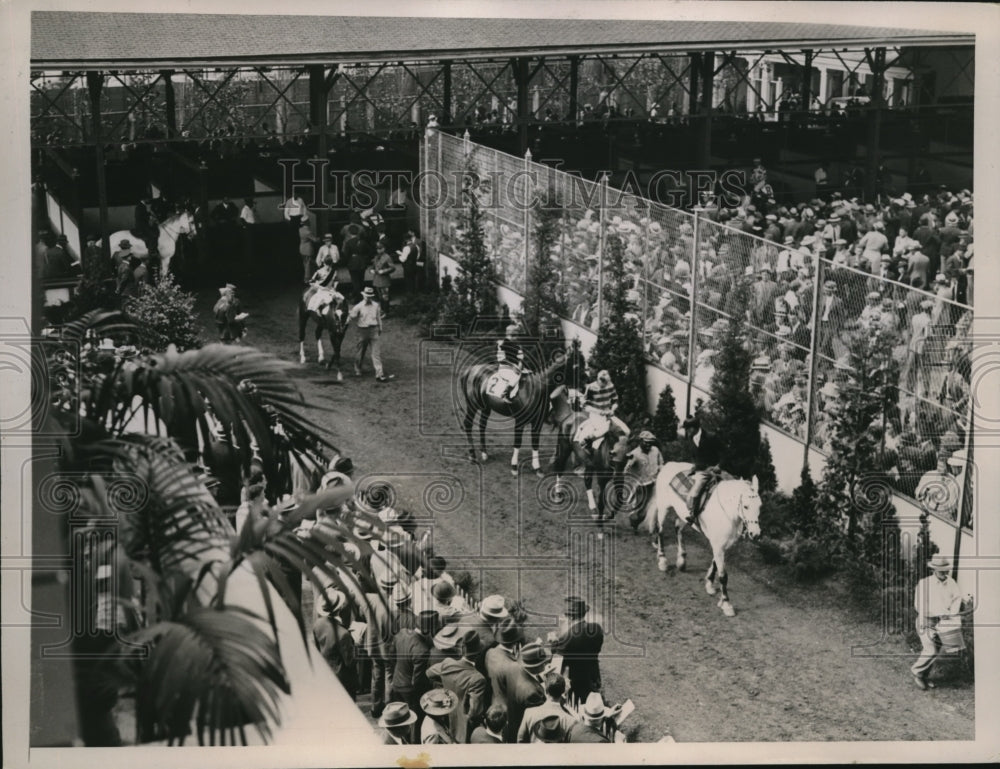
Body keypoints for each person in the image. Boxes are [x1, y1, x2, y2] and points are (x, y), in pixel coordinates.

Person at [911, 555, 966, 690]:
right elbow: (919, 605)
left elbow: (956, 599)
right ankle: (917, 673)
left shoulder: (951, 583)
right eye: (941, 571)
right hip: (927, 621)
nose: (944, 573)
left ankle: (925, 676)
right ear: (934, 570)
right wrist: (936, 613)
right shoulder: (924, 584)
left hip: (944, 623)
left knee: (937, 651)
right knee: (931, 649)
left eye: (946, 570)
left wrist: (952, 615)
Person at [426, 630, 489, 743]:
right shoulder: (478, 679)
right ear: (478, 653)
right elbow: (474, 712)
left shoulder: (447, 663)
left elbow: (429, 673)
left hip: (446, 715)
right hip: (463, 727)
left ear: (462, 649)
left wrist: (444, 685)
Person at [547, 596, 604, 704]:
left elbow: (557, 657)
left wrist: (554, 642)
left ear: (570, 618)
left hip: (575, 682)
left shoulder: (569, 637)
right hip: (592, 675)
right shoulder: (596, 629)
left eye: (565, 615)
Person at [389, 609, 440, 714]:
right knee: (414, 722)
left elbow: (391, 656)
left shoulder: (401, 633)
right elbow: (417, 681)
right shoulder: (422, 650)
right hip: (410, 692)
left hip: (397, 683)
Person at [313, 587, 359, 699]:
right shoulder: (343, 634)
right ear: (341, 606)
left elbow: (317, 648)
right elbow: (351, 662)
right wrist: (357, 643)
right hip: (343, 680)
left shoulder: (318, 624)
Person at [573, 370, 629, 457]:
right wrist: (599, 411)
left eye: (606, 383)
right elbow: (585, 406)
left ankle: (619, 452)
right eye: (602, 382)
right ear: (598, 379)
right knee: (605, 429)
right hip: (596, 415)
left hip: (609, 413)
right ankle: (586, 441)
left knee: (626, 431)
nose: (604, 385)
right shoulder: (591, 387)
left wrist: (612, 409)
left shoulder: (611, 386)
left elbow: (615, 401)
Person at [681, 415, 724, 525]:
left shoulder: (711, 437)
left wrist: (720, 465)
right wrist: (695, 466)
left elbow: (724, 453)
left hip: (715, 469)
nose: (686, 431)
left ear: (693, 428)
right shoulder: (691, 438)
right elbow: (695, 456)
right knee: (695, 490)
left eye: (687, 429)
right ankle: (693, 514)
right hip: (703, 471)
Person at [347, 287, 394, 382]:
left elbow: (378, 317)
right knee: (361, 351)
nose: (368, 298)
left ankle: (379, 374)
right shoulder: (359, 306)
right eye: (366, 296)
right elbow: (352, 316)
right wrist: (349, 316)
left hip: (374, 330)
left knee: (376, 353)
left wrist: (380, 328)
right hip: (362, 331)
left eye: (370, 296)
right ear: (363, 295)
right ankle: (357, 368)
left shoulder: (376, 305)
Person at [517, 671, 578, 743]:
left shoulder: (529, 713)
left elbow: (520, 741)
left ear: (545, 691)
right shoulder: (571, 721)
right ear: (563, 691)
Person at [624, 431, 663, 532]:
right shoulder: (635, 453)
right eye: (646, 442)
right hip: (641, 485)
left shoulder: (655, 450)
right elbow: (626, 471)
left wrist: (661, 470)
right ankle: (634, 523)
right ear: (640, 441)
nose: (648, 444)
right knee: (640, 508)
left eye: (650, 442)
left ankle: (655, 527)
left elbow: (661, 463)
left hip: (654, 482)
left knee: (653, 506)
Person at [495, 323, 526, 403]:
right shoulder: (503, 344)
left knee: (528, 375)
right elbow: (502, 359)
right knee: (514, 377)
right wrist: (513, 366)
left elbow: (520, 359)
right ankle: (505, 393)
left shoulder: (518, 346)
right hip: (505, 367)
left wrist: (519, 367)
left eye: (516, 336)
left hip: (516, 367)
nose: (516, 338)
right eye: (514, 335)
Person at [371, 241, 396, 317]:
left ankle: (386, 312)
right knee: (380, 297)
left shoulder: (387, 257)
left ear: (384, 249)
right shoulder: (376, 257)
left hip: (384, 280)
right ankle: (382, 310)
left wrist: (384, 271)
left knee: (385, 297)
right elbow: (374, 265)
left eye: (380, 248)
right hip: (377, 279)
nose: (378, 250)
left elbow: (392, 268)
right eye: (377, 249)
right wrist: (372, 269)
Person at [398, 229, 425, 295]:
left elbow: (402, 259)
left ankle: (409, 295)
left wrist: (399, 255)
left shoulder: (406, 248)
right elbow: (418, 256)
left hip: (408, 267)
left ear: (405, 240)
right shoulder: (416, 246)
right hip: (414, 265)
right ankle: (414, 294)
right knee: (413, 280)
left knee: (408, 281)